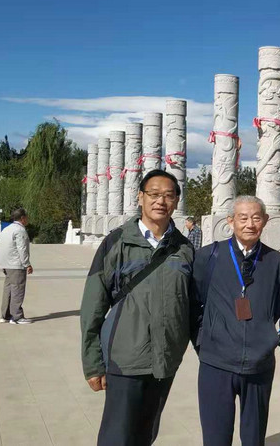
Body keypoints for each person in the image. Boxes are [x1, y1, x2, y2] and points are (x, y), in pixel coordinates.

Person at [79, 169, 197, 446]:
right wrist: (92, 363)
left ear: (176, 201)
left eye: (168, 195)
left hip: (165, 360)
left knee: (146, 434)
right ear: (140, 197)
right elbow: (93, 305)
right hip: (125, 359)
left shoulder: (184, 249)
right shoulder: (117, 242)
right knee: (117, 436)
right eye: (154, 194)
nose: (161, 201)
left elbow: (192, 305)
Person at [192, 195, 280, 446]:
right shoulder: (208, 256)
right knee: (216, 437)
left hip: (259, 365)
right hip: (216, 363)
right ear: (230, 221)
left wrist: (266, 339)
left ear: (265, 220)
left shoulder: (276, 261)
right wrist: (204, 341)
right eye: (243, 218)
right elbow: (193, 304)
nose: (250, 224)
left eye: (256, 218)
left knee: (254, 437)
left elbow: (277, 307)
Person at [0, 208, 33, 324]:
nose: (27, 219)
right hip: (16, 265)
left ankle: (5, 315)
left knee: (8, 290)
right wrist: (27, 264)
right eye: (26, 217)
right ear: (22, 218)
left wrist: (2, 263)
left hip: (6, 264)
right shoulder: (20, 230)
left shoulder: (6, 229)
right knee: (17, 289)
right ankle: (17, 317)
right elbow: (22, 249)